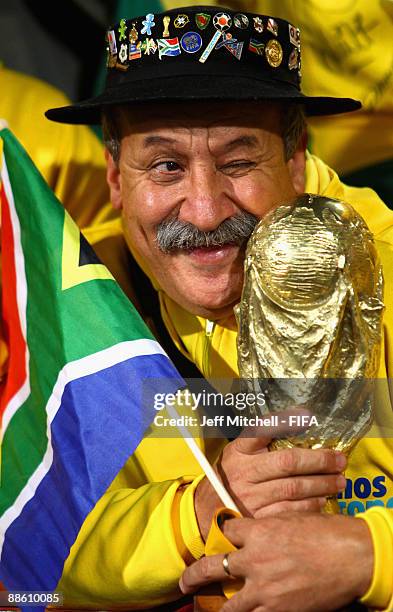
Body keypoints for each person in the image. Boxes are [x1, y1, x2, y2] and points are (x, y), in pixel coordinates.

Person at [41, 5, 393, 610]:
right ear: (114, 176)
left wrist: (366, 555)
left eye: (238, 162)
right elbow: (28, 558)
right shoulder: (70, 311)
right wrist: (200, 507)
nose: (204, 212)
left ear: (296, 161)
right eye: (166, 166)